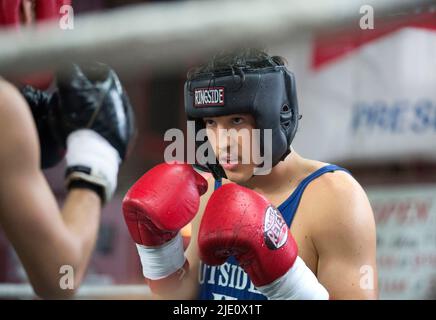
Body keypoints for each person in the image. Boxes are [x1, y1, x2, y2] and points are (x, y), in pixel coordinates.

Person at [123, 49, 378, 300]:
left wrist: (288, 285)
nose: (222, 143)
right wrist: (160, 257)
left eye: (236, 121)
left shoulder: (335, 198)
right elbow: (182, 297)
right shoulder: (208, 190)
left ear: (279, 117)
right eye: (211, 124)